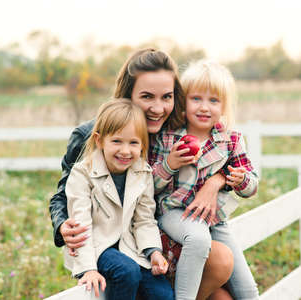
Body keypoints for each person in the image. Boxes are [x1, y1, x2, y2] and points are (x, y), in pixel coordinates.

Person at [49, 48, 234, 299]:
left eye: (167, 97)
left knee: (223, 288)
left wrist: (217, 180)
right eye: (147, 96)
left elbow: (223, 151)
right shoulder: (91, 135)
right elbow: (64, 195)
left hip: (157, 238)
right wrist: (62, 225)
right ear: (128, 94)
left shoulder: (175, 130)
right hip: (110, 242)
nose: (158, 108)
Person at [149, 59, 260, 300]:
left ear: (224, 106)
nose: (204, 107)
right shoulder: (168, 137)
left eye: (213, 100)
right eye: (196, 98)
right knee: (197, 239)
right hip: (175, 211)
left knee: (248, 291)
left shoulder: (230, 140)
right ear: (184, 101)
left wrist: (240, 180)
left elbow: (252, 185)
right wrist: (170, 165)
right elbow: (149, 186)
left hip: (214, 220)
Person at [64, 99, 172, 299]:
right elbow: (81, 224)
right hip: (98, 244)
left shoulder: (142, 172)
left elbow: (144, 220)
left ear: (142, 145)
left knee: (163, 294)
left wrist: (154, 251)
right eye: (116, 141)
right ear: (99, 140)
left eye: (133, 143)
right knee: (127, 272)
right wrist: (88, 268)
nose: (125, 151)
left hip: (130, 246)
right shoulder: (82, 173)